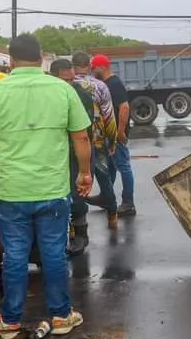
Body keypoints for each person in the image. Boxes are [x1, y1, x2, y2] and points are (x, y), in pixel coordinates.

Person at [0, 35, 94, 339]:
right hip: (53, 190)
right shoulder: (63, 90)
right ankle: (61, 315)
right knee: (54, 253)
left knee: (15, 254)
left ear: (10, 60)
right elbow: (81, 138)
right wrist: (84, 173)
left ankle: (9, 321)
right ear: (40, 59)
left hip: (12, 192)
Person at [49, 58, 95, 255]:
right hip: (56, 151)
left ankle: (80, 235)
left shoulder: (81, 95)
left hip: (77, 150)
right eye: (64, 80)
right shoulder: (49, 94)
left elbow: (85, 130)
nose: (68, 83)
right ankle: (65, 235)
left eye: (70, 79)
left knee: (77, 195)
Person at [69, 51, 120, 230]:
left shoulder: (68, 85)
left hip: (73, 140)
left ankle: (77, 224)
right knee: (103, 176)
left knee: (75, 178)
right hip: (97, 139)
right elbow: (109, 116)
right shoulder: (100, 86)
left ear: (73, 66)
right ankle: (112, 214)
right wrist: (112, 141)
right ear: (89, 67)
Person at [91, 54, 135, 216]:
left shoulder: (114, 84)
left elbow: (124, 108)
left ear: (102, 67)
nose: (92, 71)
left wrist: (120, 132)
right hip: (109, 134)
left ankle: (128, 203)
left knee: (123, 166)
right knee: (110, 167)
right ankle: (106, 196)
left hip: (116, 135)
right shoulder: (107, 83)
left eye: (93, 68)